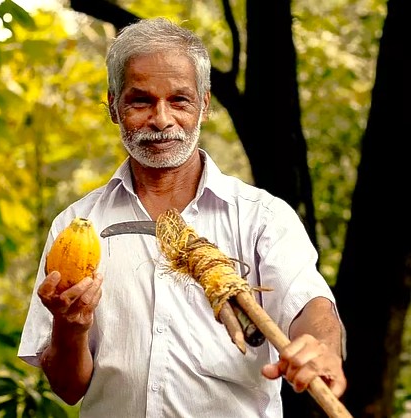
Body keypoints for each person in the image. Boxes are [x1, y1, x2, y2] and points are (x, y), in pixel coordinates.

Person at [18, 17, 347, 417]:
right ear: (113, 107)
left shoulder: (263, 218)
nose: (161, 119)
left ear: (204, 106)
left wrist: (322, 349)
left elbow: (310, 305)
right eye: (141, 101)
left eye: (179, 100)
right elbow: (69, 390)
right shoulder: (75, 227)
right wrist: (71, 326)